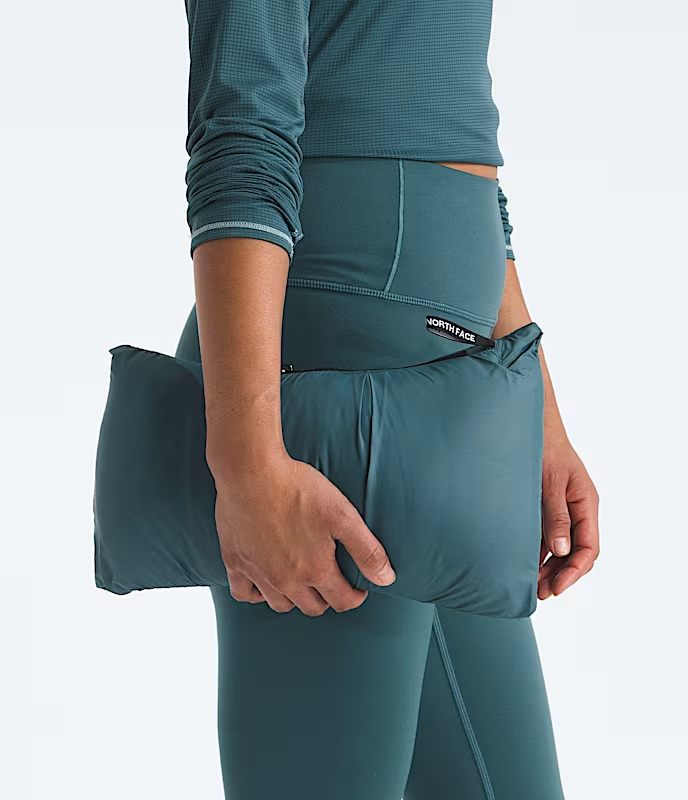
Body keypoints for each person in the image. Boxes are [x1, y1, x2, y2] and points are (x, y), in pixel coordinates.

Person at [175, 1, 600, 797]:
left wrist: (530, 398)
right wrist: (248, 460)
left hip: (458, 375)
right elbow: (243, 125)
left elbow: (449, 122)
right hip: (331, 354)